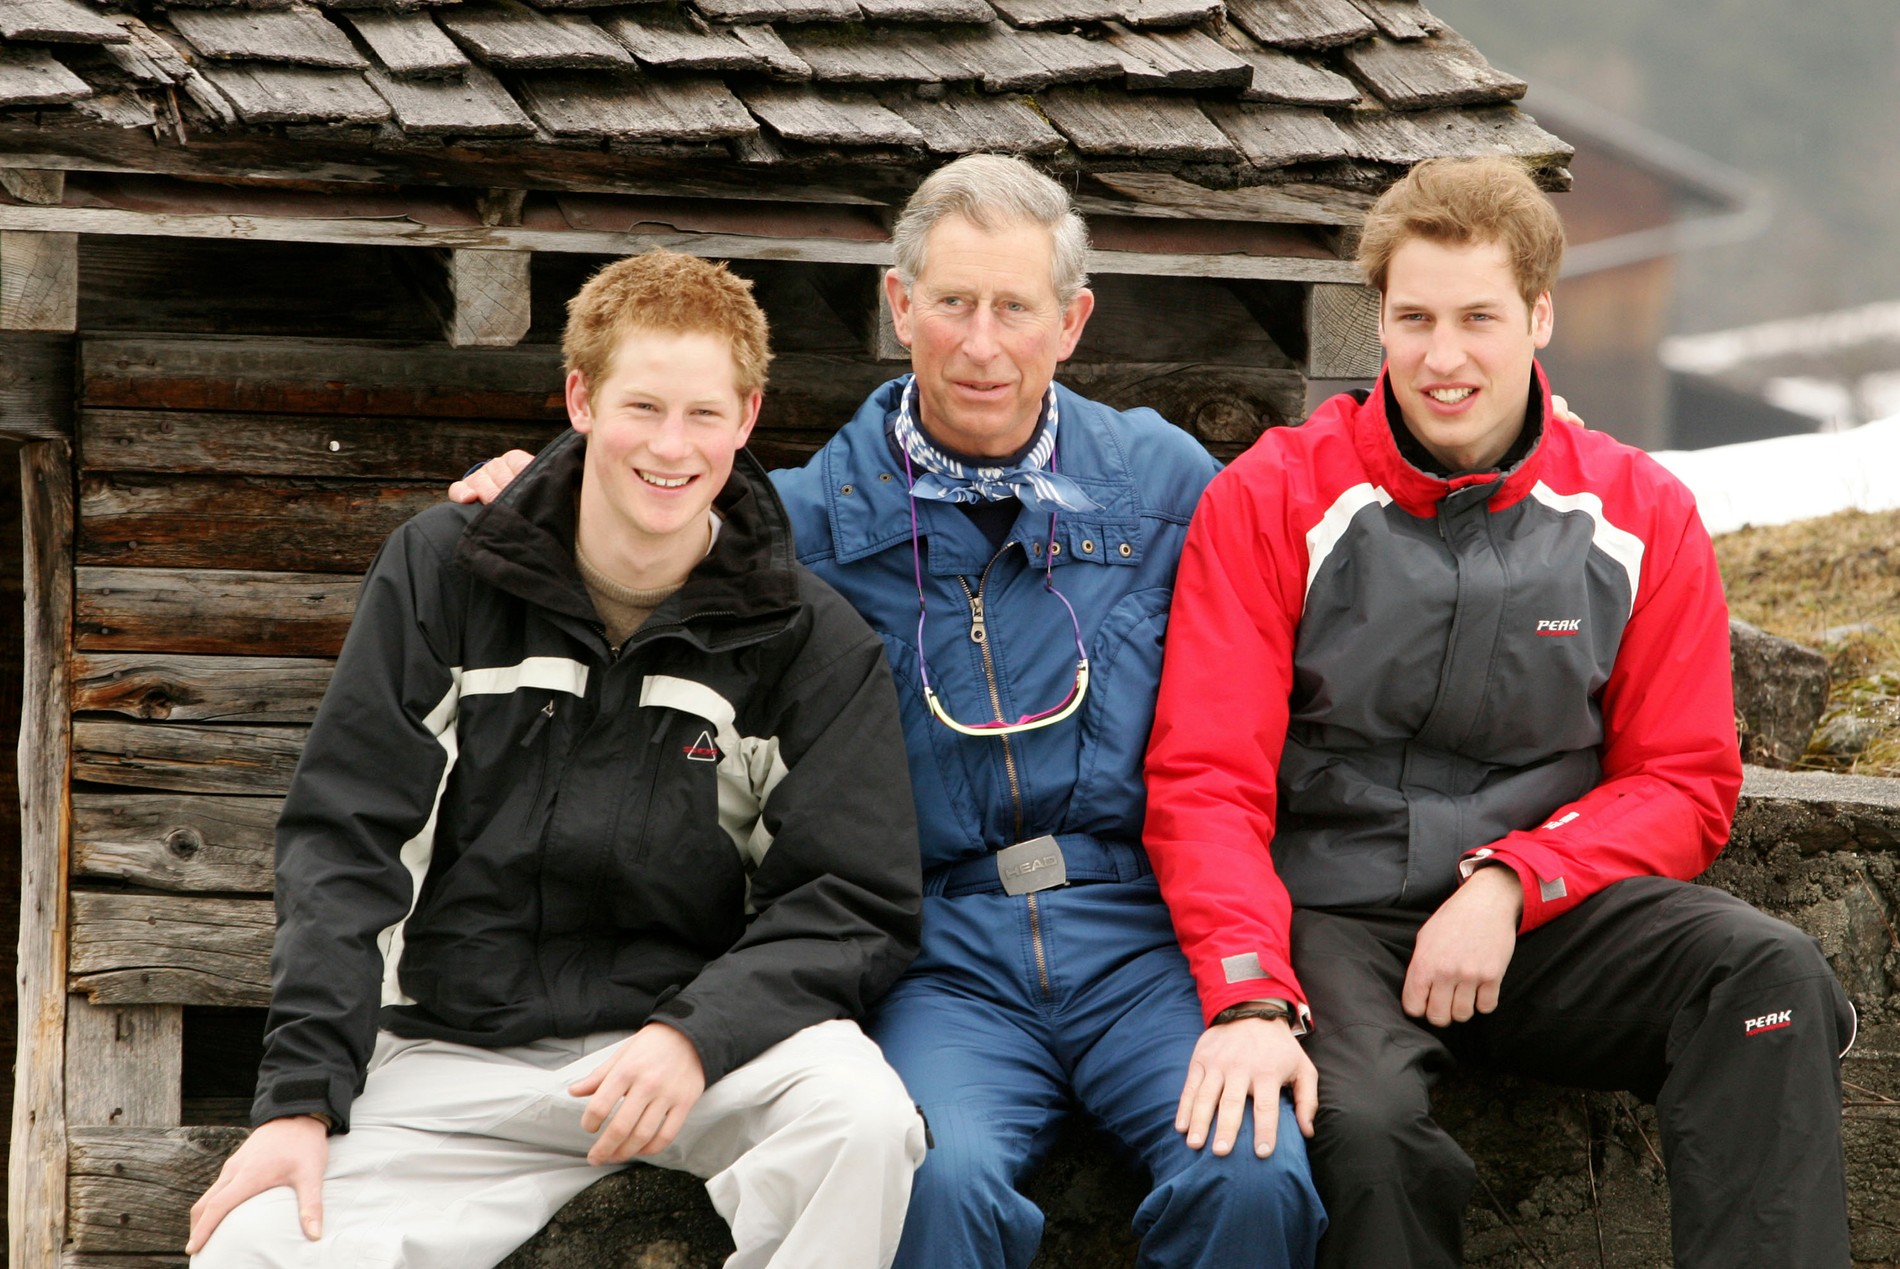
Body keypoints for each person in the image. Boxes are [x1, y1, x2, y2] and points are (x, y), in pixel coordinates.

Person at [456, 154, 1326, 1268]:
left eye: (1015, 307)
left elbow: (1318, 521)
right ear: (900, 305)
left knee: (1248, 1168)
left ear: (1072, 321)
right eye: (953, 302)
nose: (981, 342)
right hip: (938, 952)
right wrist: (541, 489)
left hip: (1138, 936)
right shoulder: (805, 521)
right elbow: (646, 523)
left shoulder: (1159, 480)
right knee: (931, 1179)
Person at [1143, 155, 1856, 1268]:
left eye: (1477, 316)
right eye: (1413, 316)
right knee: (1364, 1132)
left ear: (1538, 314)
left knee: (1765, 980)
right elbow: (1206, 783)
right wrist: (1248, 988)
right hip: (1333, 918)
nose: (1443, 355)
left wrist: (1519, 879)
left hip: (1545, 916)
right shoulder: (1272, 497)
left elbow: (1684, 780)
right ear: (1375, 319)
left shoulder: (1638, 513)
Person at [187, 250, 927, 1269]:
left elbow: (851, 896)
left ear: (748, 419)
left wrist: (694, 1035)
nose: (672, 447)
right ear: (580, 397)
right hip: (452, 1051)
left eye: (704, 414)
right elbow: (344, 838)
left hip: (690, 1046)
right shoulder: (443, 573)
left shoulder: (810, 639)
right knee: (254, 1248)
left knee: (862, 1123)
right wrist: (299, 1101)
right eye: (643, 406)